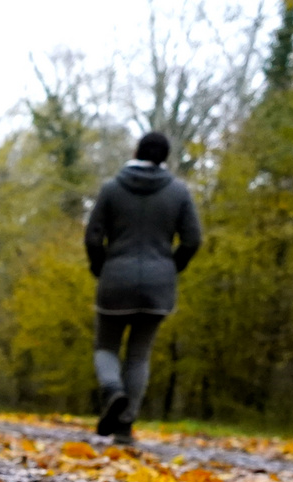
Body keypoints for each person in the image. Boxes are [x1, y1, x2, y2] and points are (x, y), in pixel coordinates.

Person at [83, 131, 202, 445]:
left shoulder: (111, 189)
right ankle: (124, 427)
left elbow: (93, 236)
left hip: (115, 279)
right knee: (138, 356)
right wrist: (170, 267)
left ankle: (112, 390)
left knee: (106, 347)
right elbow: (193, 239)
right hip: (159, 284)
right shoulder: (178, 192)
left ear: (136, 151)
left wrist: (100, 267)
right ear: (165, 157)